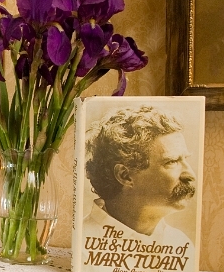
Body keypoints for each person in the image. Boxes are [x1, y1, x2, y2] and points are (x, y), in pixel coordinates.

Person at [83, 105, 196, 250]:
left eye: (185, 159)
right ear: (125, 175)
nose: (190, 175)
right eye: (172, 162)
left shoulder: (180, 245)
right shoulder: (85, 246)